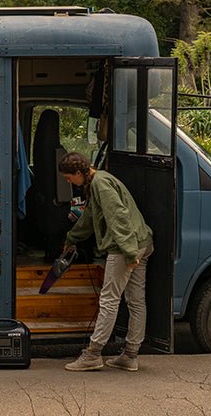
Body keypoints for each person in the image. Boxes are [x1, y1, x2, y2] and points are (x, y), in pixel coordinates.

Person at [58, 152, 154, 372]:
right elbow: (90, 218)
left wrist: (130, 254)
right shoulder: (98, 182)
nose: (68, 181)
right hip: (141, 242)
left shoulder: (100, 184)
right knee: (136, 300)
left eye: (69, 177)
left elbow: (118, 216)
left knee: (109, 300)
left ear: (79, 172)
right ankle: (130, 355)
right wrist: (72, 238)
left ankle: (93, 353)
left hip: (125, 248)